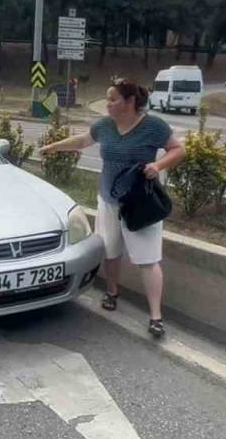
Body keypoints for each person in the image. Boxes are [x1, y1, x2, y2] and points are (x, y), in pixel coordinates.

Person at [39, 77, 185, 338]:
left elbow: (177, 150)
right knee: (110, 252)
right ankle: (112, 292)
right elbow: (83, 141)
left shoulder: (153, 126)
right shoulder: (105, 125)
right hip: (108, 201)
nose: (107, 104)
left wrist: (158, 166)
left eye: (112, 99)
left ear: (129, 102)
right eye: (107, 99)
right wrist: (53, 147)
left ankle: (155, 317)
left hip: (140, 205)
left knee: (148, 260)